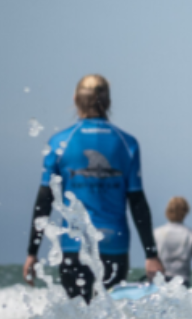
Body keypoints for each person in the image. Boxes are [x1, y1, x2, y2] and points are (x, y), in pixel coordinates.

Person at [23, 75, 164, 302]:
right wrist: (151, 254)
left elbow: (44, 200)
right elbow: (137, 202)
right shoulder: (127, 143)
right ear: (107, 102)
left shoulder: (60, 142)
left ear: (75, 99)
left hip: (73, 245)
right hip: (114, 245)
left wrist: (32, 252)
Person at [154, 196, 192, 288]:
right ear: (185, 212)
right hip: (182, 281)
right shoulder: (191, 234)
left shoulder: (157, 233)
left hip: (162, 280)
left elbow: (153, 259)